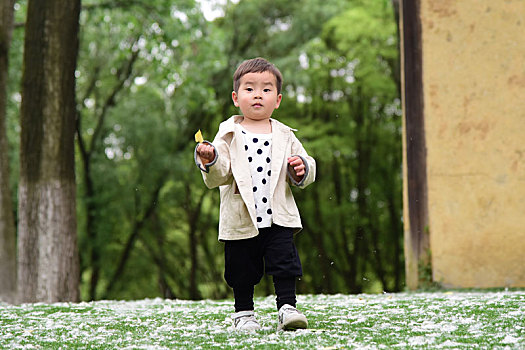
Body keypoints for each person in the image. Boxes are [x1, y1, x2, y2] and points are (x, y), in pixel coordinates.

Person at [194, 57, 316, 331]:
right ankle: (244, 313)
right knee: (241, 267)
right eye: (250, 89)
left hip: (277, 215)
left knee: (285, 262)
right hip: (241, 215)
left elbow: (306, 167)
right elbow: (220, 175)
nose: (258, 94)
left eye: (266, 89)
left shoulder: (286, 135)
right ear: (236, 98)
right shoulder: (227, 133)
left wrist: (301, 167)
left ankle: (287, 308)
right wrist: (210, 158)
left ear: (278, 99)